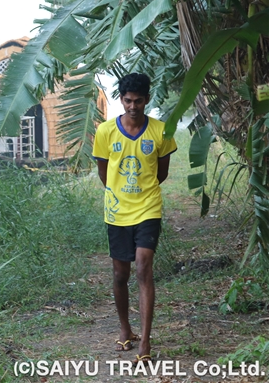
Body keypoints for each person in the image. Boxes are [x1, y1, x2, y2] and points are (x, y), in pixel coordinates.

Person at [92, 73, 177, 364]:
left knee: (143, 267)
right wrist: (120, 192)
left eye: (138, 101)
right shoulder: (105, 132)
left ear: (147, 100)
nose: (132, 106)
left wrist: (142, 193)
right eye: (127, 100)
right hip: (116, 211)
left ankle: (146, 340)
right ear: (121, 100)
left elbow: (161, 173)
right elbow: (104, 174)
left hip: (148, 209)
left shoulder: (161, 131)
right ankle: (125, 328)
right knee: (120, 274)